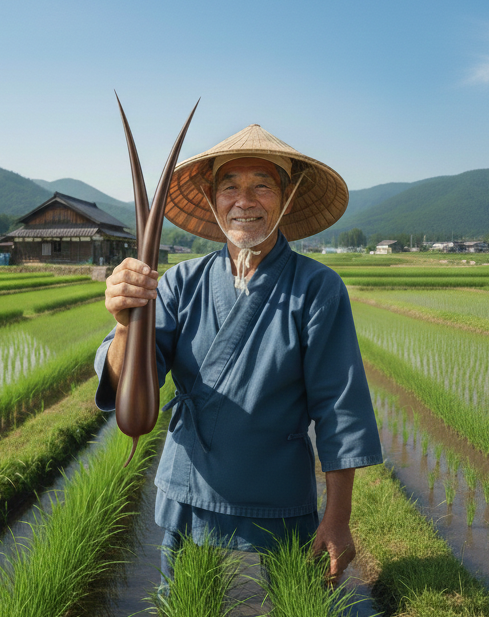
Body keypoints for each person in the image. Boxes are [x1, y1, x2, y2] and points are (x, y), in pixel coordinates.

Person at [94, 123, 382, 584]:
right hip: (188, 491)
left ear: (287, 197)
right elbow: (135, 380)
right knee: (185, 605)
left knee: (294, 602)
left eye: (261, 186)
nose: (244, 201)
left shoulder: (317, 288)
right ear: (212, 199)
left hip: (279, 497)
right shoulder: (179, 283)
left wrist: (338, 518)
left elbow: (339, 409)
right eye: (230, 187)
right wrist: (124, 323)